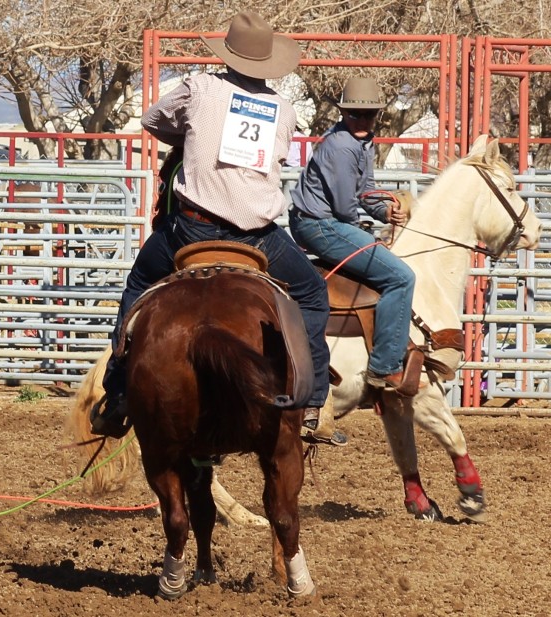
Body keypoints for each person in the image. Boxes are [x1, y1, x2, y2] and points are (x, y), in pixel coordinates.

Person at [90, 11, 343, 446]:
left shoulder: (199, 87)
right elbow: (276, 158)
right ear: (267, 62)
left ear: (228, 54)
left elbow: (152, 121)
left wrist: (191, 139)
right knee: (312, 294)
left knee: (139, 284)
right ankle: (313, 399)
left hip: (191, 228)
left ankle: (116, 394)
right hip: (257, 234)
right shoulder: (283, 110)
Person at [288, 76, 415, 395]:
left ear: (376, 116)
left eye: (367, 114)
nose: (361, 120)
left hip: (323, 222)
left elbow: (367, 189)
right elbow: (346, 208)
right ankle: (385, 367)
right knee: (401, 277)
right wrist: (367, 229)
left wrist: (386, 212)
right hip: (321, 224)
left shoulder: (363, 141)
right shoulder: (342, 146)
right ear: (343, 114)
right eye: (354, 114)